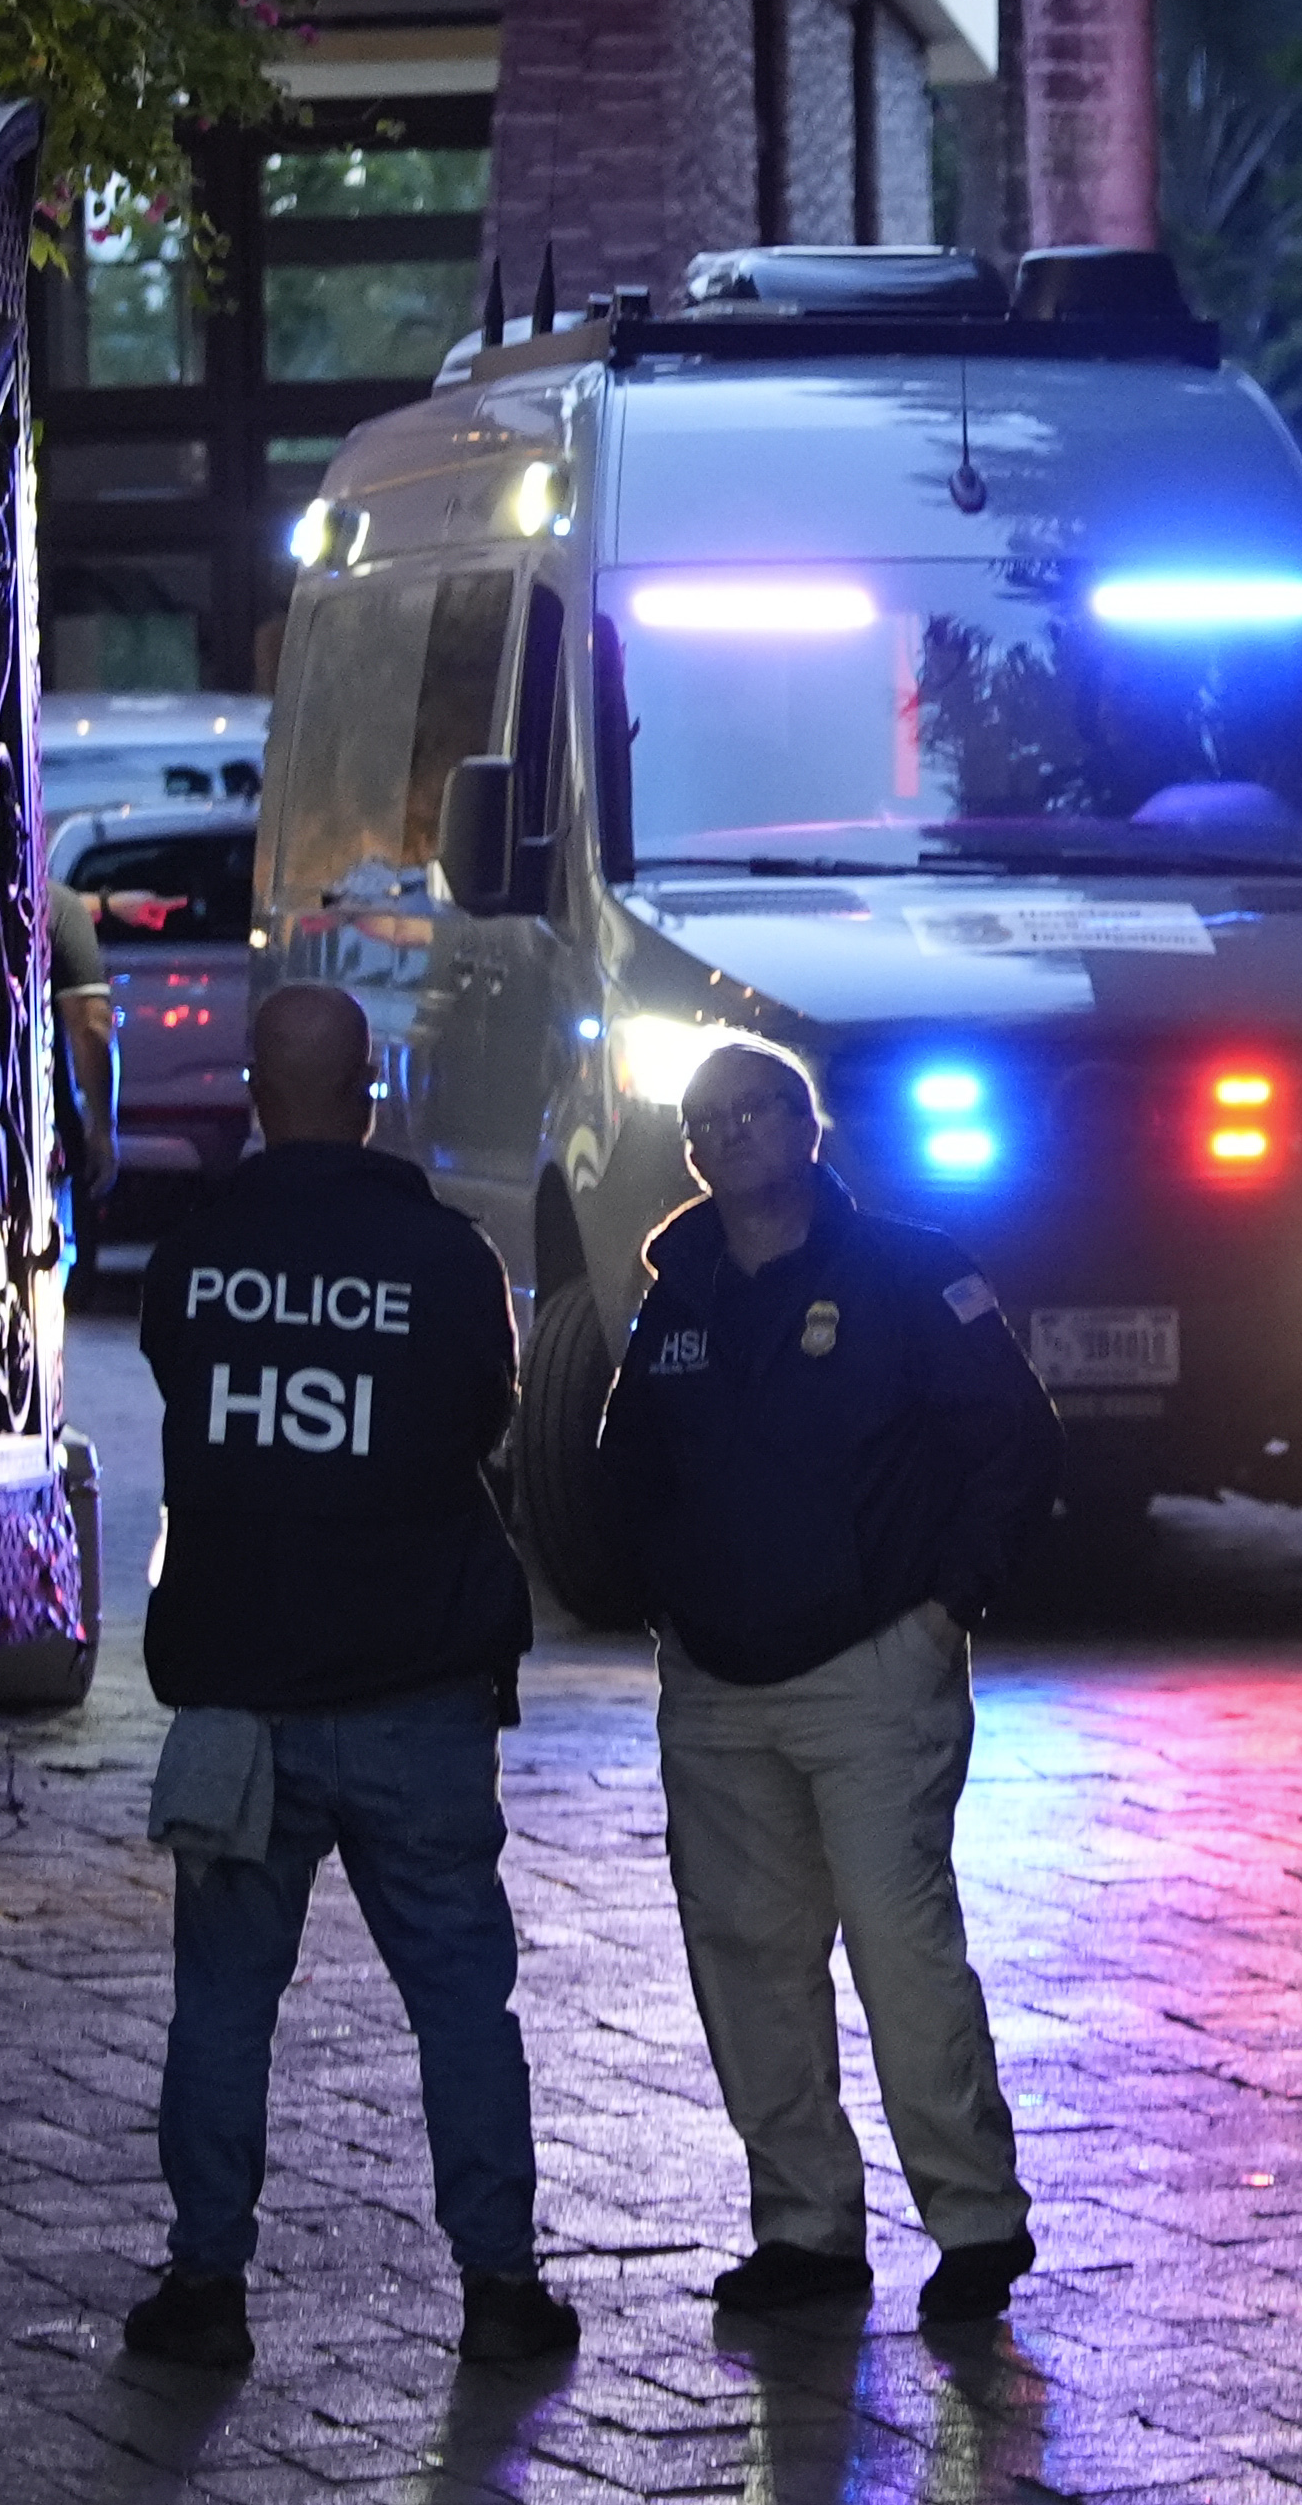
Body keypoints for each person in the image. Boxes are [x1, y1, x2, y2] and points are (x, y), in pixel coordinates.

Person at [122, 982, 572, 2374]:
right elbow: (481, 1422)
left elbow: (178, 1383)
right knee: (459, 2004)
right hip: (416, 1687)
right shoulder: (444, 1260)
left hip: (243, 1696)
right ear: (371, 1093)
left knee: (223, 2005)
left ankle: (206, 2285)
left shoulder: (195, 1254)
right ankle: (499, 2286)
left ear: (256, 1092)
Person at [587, 1042, 1062, 2329]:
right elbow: (626, 1464)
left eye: (753, 1111)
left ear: (809, 1129)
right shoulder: (676, 1293)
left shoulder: (912, 1273)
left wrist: (944, 1604)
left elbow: (1013, 1443)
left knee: (903, 1954)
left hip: (871, 1670)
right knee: (747, 1958)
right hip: (716, 1683)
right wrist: (658, 1601)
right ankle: (804, 2226)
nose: (727, 1135)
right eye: (704, 1121)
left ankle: (974, 2222)